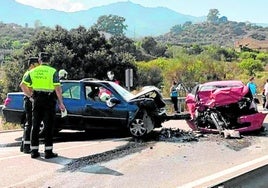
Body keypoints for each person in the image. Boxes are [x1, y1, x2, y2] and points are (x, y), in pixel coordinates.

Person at [20, 52, 65, 159]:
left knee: (35, 126)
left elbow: (22, 85)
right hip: (49, 100)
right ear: (48, 61)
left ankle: (34, 151)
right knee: (48, 126)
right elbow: (57, 88)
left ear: (39, 61)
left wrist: (31, 96)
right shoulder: (53, 71)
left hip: (37, 99)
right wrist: (61, 103)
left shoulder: (32, 71)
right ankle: (48, 152)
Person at [19, 57, 39, 153]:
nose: (38, 65)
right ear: (32, 65)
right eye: (37, 64)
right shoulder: (29, 74)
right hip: (29, 100)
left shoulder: (30, 73)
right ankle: (27, 147)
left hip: (28, 100)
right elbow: (22, 85)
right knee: (30, 123)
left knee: (28, 122)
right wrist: (31, 96)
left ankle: (23, 145)